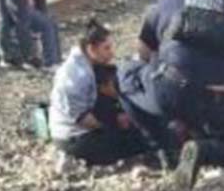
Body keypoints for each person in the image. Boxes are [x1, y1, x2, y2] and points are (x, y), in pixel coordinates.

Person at [119, 0, 224, 189]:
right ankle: (202, 149)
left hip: (174, 89)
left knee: (125, 73)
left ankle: (166, 148)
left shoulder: (171, 1)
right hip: (219, 99)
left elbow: (143, 53)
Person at [50, 19, 150, 166]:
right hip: (75, 137)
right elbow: (84, 120)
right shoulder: (77, 76)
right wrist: (114, 125)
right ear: (91, 48)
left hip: (80, 127)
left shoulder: (86, 63)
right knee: (139, 140)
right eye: (106, 48)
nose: (111, 53)